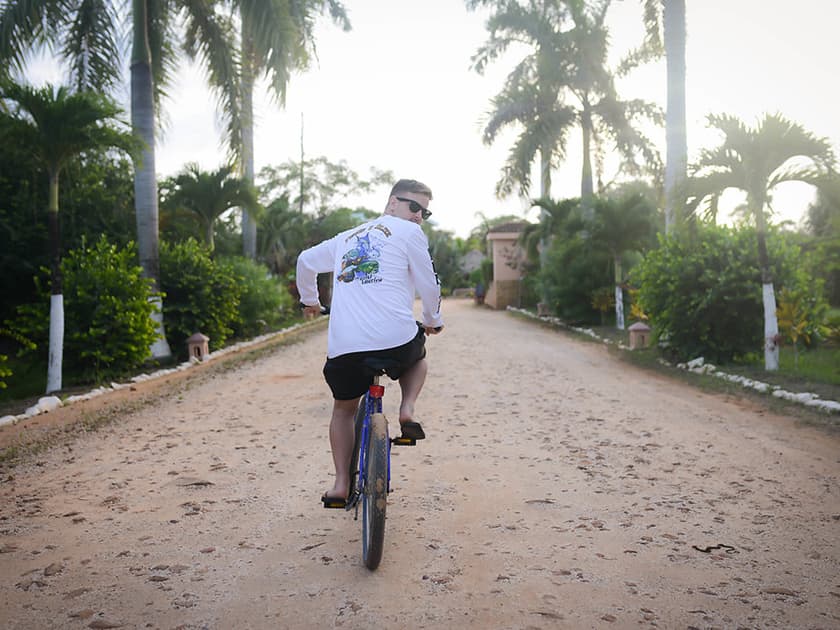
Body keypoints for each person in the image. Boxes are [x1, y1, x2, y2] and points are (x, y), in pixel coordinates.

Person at [295, 178, 444, 508]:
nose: (419, 216)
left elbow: (305, 261)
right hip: (396, 341)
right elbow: (429, 284)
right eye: (413, 206)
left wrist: (311, 301)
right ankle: (407, 410)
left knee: (343, 410)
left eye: (426, 212)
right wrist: (433, 321)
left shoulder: (345, 239)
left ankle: (340, 485)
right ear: (392, 203)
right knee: (417, 354)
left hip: (345, 349)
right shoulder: (409, 234)